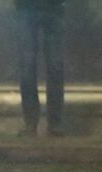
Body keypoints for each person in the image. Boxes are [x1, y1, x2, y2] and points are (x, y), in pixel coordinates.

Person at [15, 0, 66, 136]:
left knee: (50, 66)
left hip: (43, 8)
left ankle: (42, 123)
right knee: (30, 65)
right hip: (34, 8)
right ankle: (44, 123)